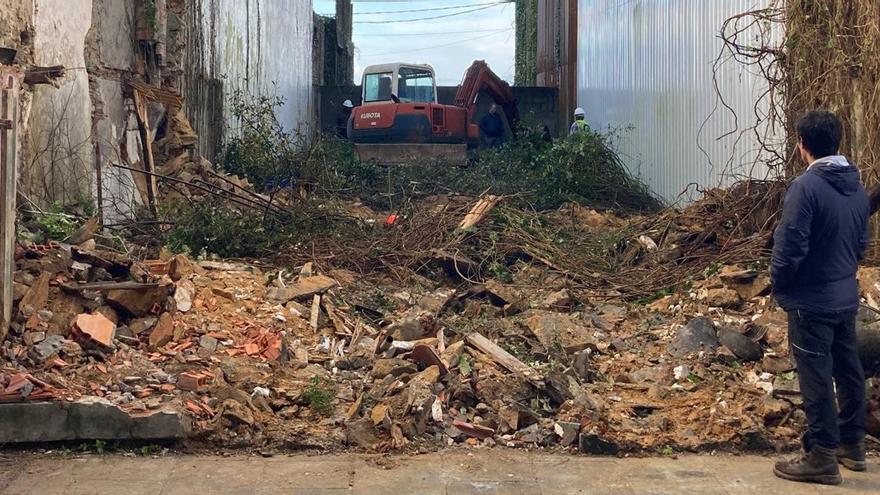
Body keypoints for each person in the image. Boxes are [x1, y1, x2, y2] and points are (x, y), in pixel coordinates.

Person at [770, 110, 868, 486]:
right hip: (845, 295)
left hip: (811, 300)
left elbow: (790, 246)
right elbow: (861, 243)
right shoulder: (855, 185)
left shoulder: (806, 187)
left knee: (816, 377)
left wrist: (780, 284)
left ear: (801, 145)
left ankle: (822, 456)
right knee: (848, 369)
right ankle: (852, 444)